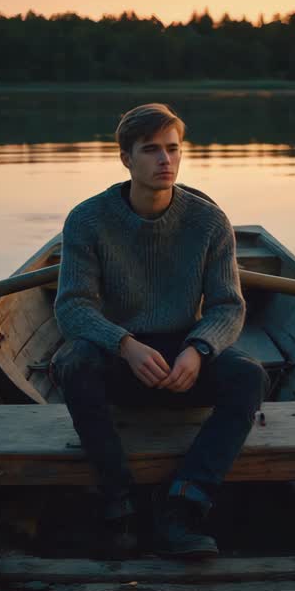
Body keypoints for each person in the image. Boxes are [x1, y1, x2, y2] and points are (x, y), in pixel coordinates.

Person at [51, 103, 268, 559]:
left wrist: (200, 349)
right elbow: (72, 307)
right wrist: (124, 344)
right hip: (120, 359)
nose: (165, 160)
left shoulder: (208, 221)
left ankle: (184, 506)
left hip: (183, 362)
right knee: (74, 364)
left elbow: (229, 306)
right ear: (126, 158)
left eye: (173, 149)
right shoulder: (88, 220)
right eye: (151, 150)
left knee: (249, 376)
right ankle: (119, 504)